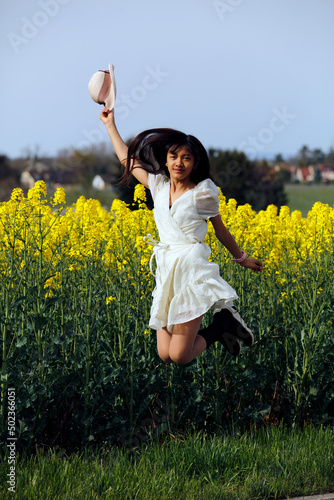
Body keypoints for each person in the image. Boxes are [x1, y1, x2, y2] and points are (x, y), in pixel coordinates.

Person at [100, 107, 263, 365]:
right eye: (174, 156)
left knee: (179, 355)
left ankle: (222, 324)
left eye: (186, 158)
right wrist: (110, 125)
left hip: (190, 271)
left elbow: (220, 230)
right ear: (165, 160)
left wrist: (241, 258)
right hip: (167, 271)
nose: (179, 163)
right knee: (165, 354)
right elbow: (128, 162)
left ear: (195, 163)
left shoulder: (202, 193)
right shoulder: (158, 186)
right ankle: (224, 325)